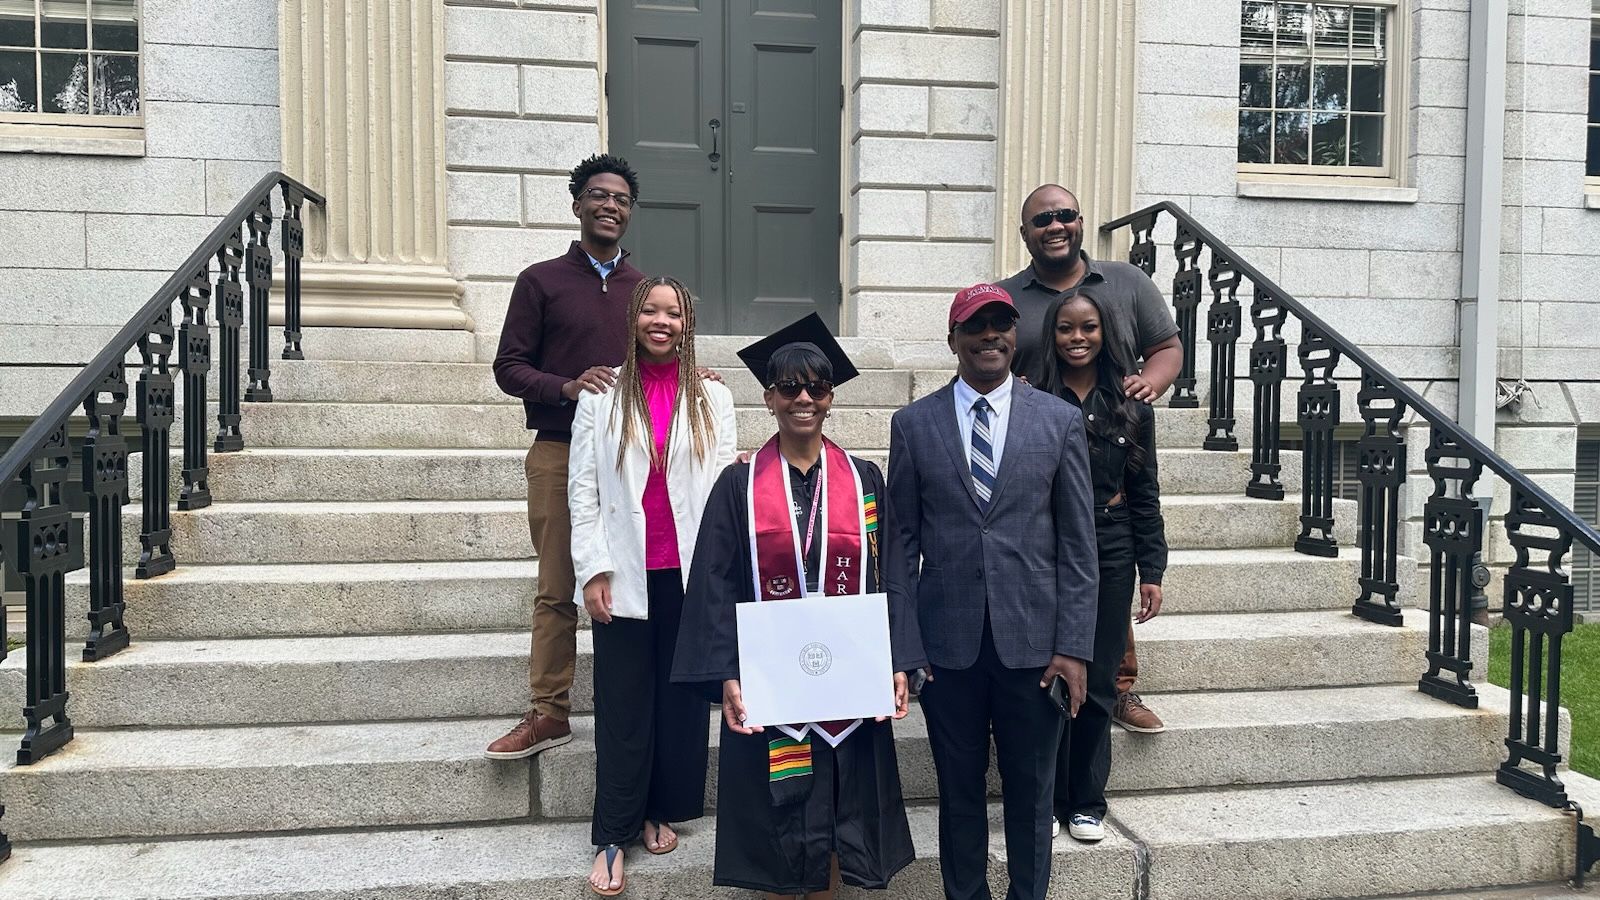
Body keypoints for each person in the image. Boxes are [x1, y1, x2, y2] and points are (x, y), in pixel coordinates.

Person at [673, 314, 926, 900]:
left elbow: (892, 574)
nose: (804, 398)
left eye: (817, 387)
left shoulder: (864, 480)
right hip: (771, 683)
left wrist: (898, 660)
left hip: (848, 682)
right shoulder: (738, 486)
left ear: (831, 397)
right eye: (789, 387)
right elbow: (713, 583)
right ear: (769, 398)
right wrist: (728, 672)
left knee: (839, 808)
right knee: (778, 815)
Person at [886, 285, 1098, 900]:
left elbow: (1079, 546)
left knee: (1032, 795)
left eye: (1001, 325)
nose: (989, 336)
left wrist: (1073, 647)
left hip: (1035, 647)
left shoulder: (1058, 421)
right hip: (946, 648)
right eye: (975, 326)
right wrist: (906, 647)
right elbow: (899, 548)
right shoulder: (914, 424)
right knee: (958, 793)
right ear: (953, 339)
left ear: (1015, 335)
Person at [568, 275, 737, 895]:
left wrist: (722, 578)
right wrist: (592, 568)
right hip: (624, 571)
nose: (661, 322)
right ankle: (613, 831)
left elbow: (723, 488)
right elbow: (582, 489)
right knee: (623, 704)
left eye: (673, 313)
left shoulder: (712, 396)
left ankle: (661, 807)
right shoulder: (602, 394)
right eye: (650, 311)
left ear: (688, 323)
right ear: (633, 318)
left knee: (681, 702)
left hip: (689, 573)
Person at [997, 183, 1180, 735]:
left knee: (1106, 584)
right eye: (1041, 219)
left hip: (1109, 450)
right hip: (1038, 477)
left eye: (1065, 215)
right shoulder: (1006, 298)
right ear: (1024, 233)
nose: (1055, 225)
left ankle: (1117, 689)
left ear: (1080, 221)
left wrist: (1145, 388)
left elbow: (1167, 348)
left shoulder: (1126, 281)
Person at [488, 154, 647, 759]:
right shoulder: (541, 281)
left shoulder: (643, 291)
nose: (611, 206)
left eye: (621, 199)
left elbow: (664, 358)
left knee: (636, 580)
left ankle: (637, 703)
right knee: (558, 586)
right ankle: (549, 710)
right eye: (599, 195)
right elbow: (508, 367)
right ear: (578, 204)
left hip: (630, 458)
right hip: (559, 452)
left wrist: (694, 379)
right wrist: (565, 387)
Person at [1033, 291, 1168, 844]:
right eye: (1066, 328)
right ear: (1052, 335)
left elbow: (1145, 491)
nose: (1077, 338)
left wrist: (1152, 568)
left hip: (1111, 542)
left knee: (1100, 670)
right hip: (1048, 545)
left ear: (1105, 333)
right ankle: (1046, 798)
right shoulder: (1033, 399)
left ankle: (1086, 801)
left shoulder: (1132, 405)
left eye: (1088, 327)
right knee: (1048, 674)